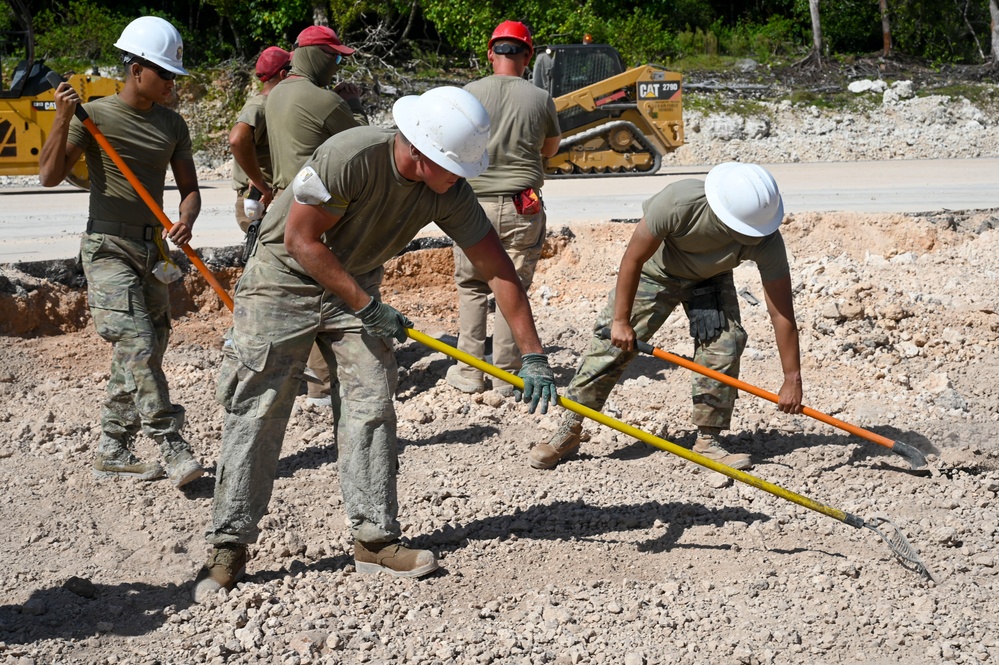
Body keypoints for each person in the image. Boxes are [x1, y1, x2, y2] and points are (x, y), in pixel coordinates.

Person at [192, 87, 559, 602]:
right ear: (420, 152)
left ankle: (374, 539)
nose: (461, 177)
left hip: (355, 284)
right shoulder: (351, 157)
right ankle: (228, 545)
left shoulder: (447, 189)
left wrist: (533, 354)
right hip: (282, 280)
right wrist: (366, 306)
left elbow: (498, 269)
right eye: (454, 166)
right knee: (258, 409)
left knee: (371, 407)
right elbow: (300, 240)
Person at [527, 163, 804, 470]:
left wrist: (791, 378)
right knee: (610, 346)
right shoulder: (678, 202)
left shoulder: (765, 238)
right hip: (654, 274)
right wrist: (620, 321)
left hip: (709, 280)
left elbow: (781, 313)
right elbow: (633, 259)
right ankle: (570, 427)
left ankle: (708, 440)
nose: (746, 237)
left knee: (724, 346)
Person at [37, 16, 204, 488]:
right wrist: (62, 117)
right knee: (138, 344)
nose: (172, 83)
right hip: (108, 247)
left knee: (147, 346)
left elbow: (190, 190)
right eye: (165, 74)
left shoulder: (173, 124)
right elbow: (48, 176)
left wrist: (186, 218)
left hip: (153, 251)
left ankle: (112, 446)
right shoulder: (95, 116)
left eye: (174, 75)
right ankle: (171, 443)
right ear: (136, 70)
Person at [446, 20, 561, 395]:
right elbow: (550, 149)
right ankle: (506, 375)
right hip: (520, 207)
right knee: (512, 286)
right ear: (528, 56)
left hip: (471, 206)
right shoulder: (540, 98)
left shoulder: (468, 93)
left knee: (472, 286)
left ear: (490, 53)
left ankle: (469, 372)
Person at [265, 24, 367, 408]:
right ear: (316, 56)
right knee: (328, 294)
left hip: (281, 204)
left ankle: (301, 379)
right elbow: (363, 147)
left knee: (294, 295)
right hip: (316, 211)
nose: (338, 65)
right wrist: (353, 105)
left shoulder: (276, 93)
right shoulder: (326, 102)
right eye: (335, 57)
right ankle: (325, 387)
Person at [229, 46, 291, 232]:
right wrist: (260, 184)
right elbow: (237, 140)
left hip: (264, 195)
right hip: (259, 196)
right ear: (283, 74)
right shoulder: (259, 106)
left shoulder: (272, 104)